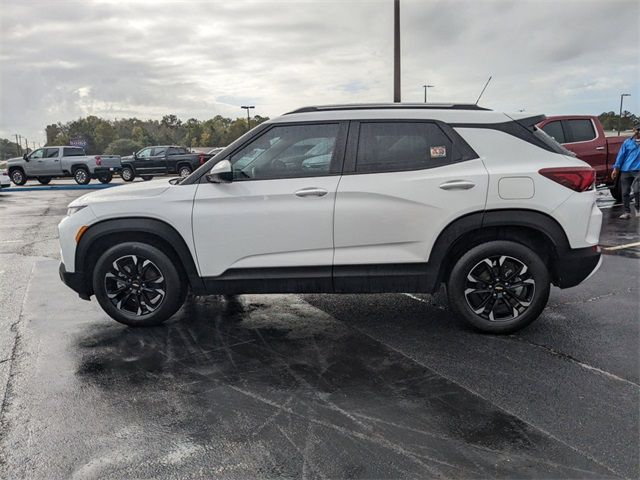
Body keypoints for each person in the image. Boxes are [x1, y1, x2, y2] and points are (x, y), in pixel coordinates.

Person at [611, 124, 640, 219]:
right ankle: (627, 212)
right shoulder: (627, 142)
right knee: (625, 192)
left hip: (638, 171)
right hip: (626, 170)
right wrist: (616, 169)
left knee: (637, 190)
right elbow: (620, 156)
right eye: (638, 130)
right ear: (634, 130)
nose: (639, 132)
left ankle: (638, 207)